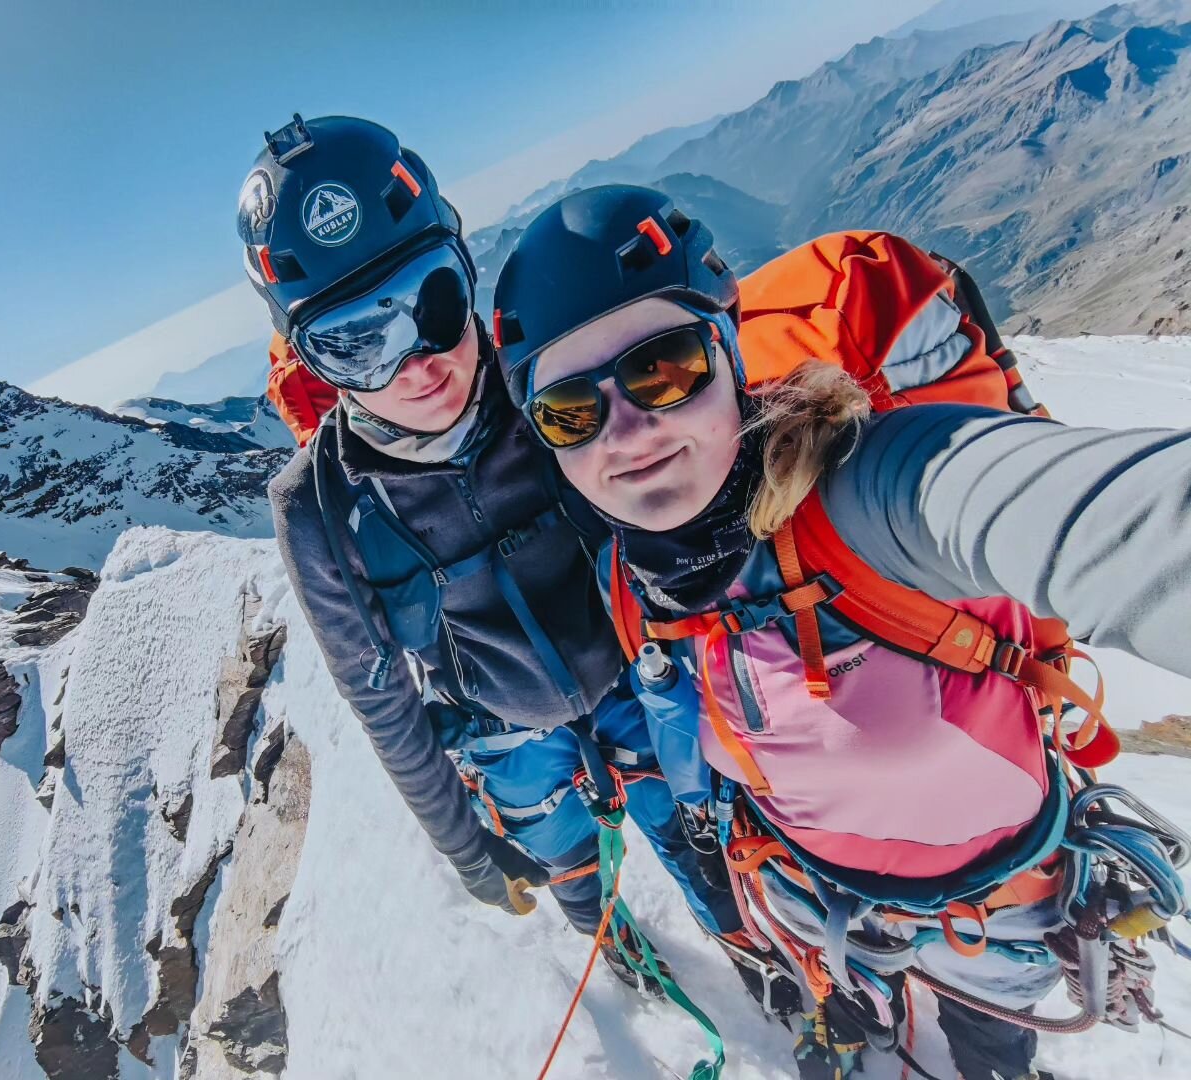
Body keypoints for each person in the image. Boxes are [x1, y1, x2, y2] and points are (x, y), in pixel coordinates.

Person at [492, 184, 1191, 1080]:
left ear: (728, 346)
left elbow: (1124, 526)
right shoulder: (633, 585)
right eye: (571, 413)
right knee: (864, 1016)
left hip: (997, 907)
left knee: (992, 1053)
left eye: (663, 369)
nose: (628, 432)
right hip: (816, 902)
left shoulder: (877, 496)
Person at [238, 116, 744, 993]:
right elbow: (380, 696)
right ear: (311, 357)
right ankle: (640, 980)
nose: (418, 365)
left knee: (717, 860)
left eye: (432, 305)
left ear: (463, 264)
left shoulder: (560, 383)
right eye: (358, 342)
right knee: (581, 889)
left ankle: (761, 971)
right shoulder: (317, 509)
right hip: (509, 743)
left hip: (642, 683)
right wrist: (467, 850)